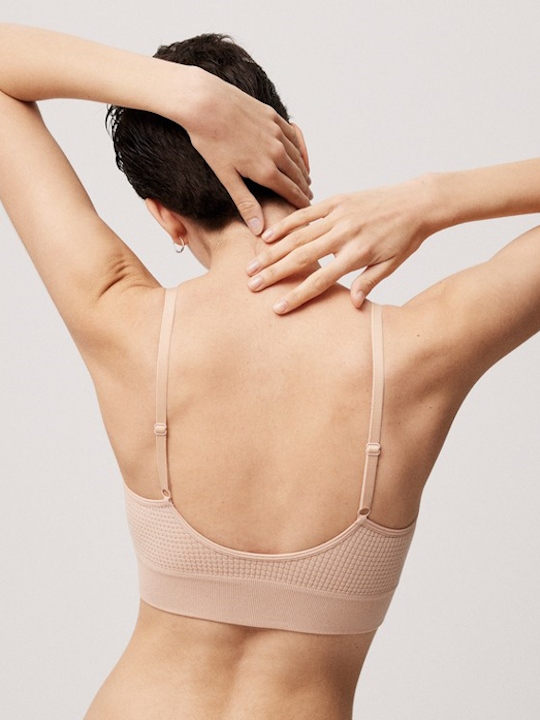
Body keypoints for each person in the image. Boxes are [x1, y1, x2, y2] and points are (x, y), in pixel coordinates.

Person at [2, 23, 540, 720]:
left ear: (164, 218)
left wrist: (181, 95)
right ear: (300, 151)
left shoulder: (120, 320)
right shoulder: (419, 350)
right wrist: (432, 200)